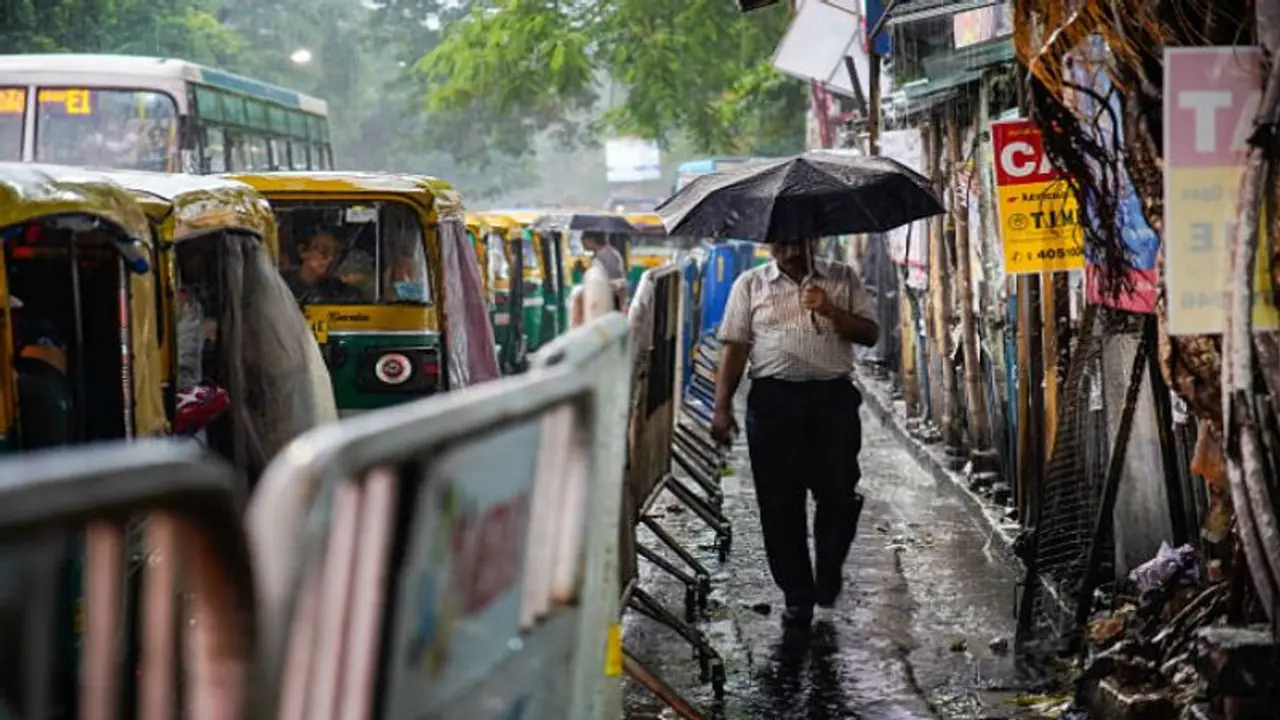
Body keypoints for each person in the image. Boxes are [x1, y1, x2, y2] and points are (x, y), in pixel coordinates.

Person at [711, 239, 880, 628]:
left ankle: (828, 572)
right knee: (779, 503)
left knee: (838, 494)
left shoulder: (842, 278)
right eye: (780, 240)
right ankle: (797, 595)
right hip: (773, 404)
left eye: (796, 238)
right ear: (769, 245)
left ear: (813, 237)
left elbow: (870, 334)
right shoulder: (750, 285)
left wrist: (831, 310)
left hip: (832, 402)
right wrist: (722, 408)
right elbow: (735, 347)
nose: (789, 248)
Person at [282, 228, 363, 303]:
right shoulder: (281, 282)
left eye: (334, 255)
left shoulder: (340, 291)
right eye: (324, 252)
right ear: (303, 251)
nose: (330, 259)